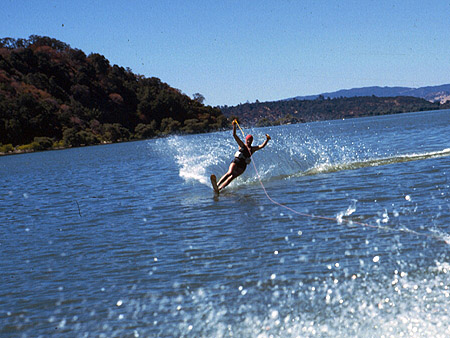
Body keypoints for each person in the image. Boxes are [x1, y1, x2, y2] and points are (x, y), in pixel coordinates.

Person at [217, 120, 271, 192]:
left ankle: (220, 189)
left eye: (251, 140)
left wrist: (267, 140)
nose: (249, 141)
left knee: (232, 177)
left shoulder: (252, 149)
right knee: (229, 173)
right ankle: (217, 185)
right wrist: (234, 126)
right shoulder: (242, 145)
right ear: (246, 140)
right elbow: (234, 135)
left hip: (242, 166)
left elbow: (262, 146)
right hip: (236, 161)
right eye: (248, 140)